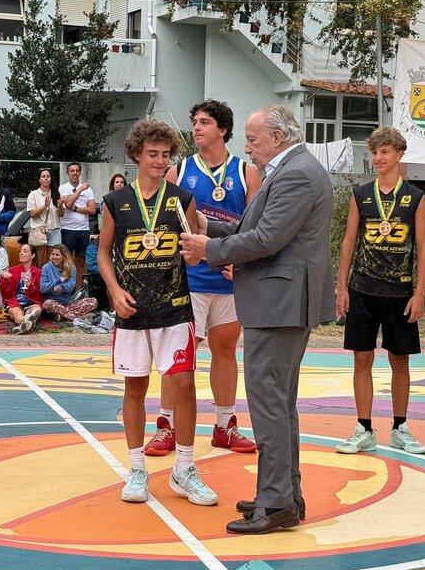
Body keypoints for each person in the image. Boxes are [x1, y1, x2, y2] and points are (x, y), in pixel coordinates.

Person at [181, 104, 335, 535]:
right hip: (281, 300)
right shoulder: (292, 170)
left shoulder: (295, 174)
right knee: (279, 404)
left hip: (279, 302)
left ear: (277, 138)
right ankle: (284, 493)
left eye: (252, 139)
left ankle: (276, 501)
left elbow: (267, 239)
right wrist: (209, 230)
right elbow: (260, 231)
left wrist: (208, 251)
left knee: (269, 403)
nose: (246, 147)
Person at [100, 119, 218, 509]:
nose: (160, 161)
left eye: (166, 155)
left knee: (183, 384)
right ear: (137, 154)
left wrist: (199, 249)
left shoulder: (182, 199)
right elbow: (103, 253)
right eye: (153, 154)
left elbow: (194, 251)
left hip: (175, 308)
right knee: (134, 388)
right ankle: (136, 469)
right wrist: (114, 290)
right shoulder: (115, 202)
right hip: (132, 311)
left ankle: (184, 468)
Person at [149, 99, 261, 459]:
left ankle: (225, 425)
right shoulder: (179, 171)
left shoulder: (246, 172)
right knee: (181, 354)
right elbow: (162, 223)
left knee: (225, 351)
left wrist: (240, 262)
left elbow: (255, 228)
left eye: (204, 122)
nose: (196, 127)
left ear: (222, 130)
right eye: (195, 121)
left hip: (228, 278)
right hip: (189, 279)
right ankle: (166, 425)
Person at [335, 127, 425, 456]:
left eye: (385, 152)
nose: (378, 158)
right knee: (362, 358)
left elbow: (423, 247)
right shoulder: (361, 194)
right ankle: (364, 428)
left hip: (400, 292)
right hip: (362, 289)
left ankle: (401, 427)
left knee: (399, 360)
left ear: (399, 154)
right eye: (375, 152)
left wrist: (420, 293)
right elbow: (349, 241)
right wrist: (341, 287)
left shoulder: (415, 197)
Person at [59, 162, 97, 285]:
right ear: (68, 173)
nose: (75, 173)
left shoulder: (88, 189)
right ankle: (67, 289)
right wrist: (80, 189)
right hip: (67, 229)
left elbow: (92, 210)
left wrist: (76, 208)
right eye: (72, 171)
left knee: (81, 261)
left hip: (83, 229)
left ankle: (80, 290)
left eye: (77, 171)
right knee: (66, 261)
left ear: (80, 172)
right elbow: (68, 204)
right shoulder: (63, 188)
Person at [40, 244, 97, 321]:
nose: (54, 257)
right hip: (53, 302)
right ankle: (78, 318)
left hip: (68, 303)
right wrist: (57, 281)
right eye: (52, 254)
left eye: (57, 255)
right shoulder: (46, 268)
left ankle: (63, 316)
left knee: (93, 301)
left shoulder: (72, 268)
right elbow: (42, 288)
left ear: (64, 257)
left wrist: (61, 288)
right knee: (48, 304)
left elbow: (71, 287)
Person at [1, 243, 44, 334]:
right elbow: (6, 294)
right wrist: (4, 280)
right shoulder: (12, 270)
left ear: (32, 255)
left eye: (25, 251)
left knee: (37, 309)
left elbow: (39, 297)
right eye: (20, 251)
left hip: (31, 302)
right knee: (17, 313)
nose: (21, 253)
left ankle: (25, 324)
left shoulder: (38, 273)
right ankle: (27, 321)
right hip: (15, 302)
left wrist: (31, 286)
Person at [26, 168, 63, 265]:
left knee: (53, 261)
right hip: (39, 229)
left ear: (51, 179)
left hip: (54, 229)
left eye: (48, 176)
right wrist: (45, 206)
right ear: (39, 180)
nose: (46, 178)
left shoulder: (56, 194)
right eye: (43, 176)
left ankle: (50, 275)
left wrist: (60, 206)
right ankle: (39, 275)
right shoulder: (33, 194)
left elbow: (61, 214)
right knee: (39, 261)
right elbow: (32, 214)